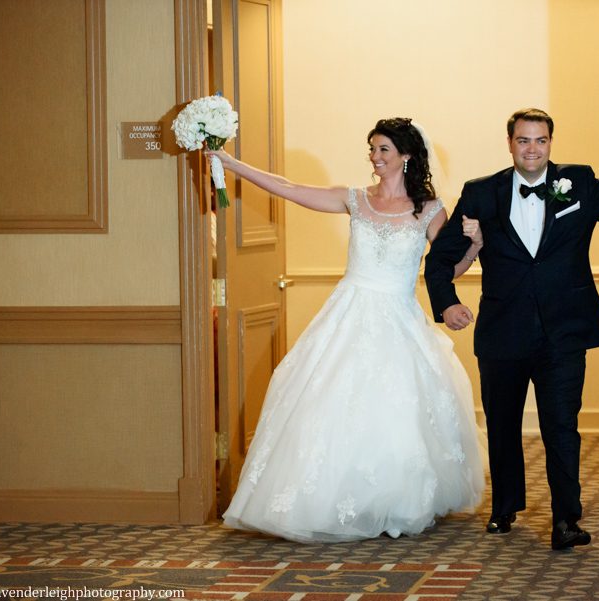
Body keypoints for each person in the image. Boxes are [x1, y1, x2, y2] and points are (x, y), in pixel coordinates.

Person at [208, 117, 485, 543]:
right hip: (348, 312)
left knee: (397, 412)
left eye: (383, 150)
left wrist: (476, 246)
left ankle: (392, 501)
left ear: (406, 156)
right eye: (372, 150)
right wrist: (231, 164)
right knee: (329, 406)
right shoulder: (355, 199)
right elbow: (290, 188)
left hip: (398, 317)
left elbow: (448, 268)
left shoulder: (430, 209)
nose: (374, 158)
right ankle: (327, 502)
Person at [424, 108, 599, 551]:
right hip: (502, 330)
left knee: (562, 426)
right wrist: (447, 305)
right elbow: (440, 259)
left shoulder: (578, 182)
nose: (532, 149)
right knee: (502, 424)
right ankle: (505, 508)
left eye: (540, 141)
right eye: (523, 140)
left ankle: (566, 520)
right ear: (510, 143)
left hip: (563, 331)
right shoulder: (481, 193)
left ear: (550, 143)